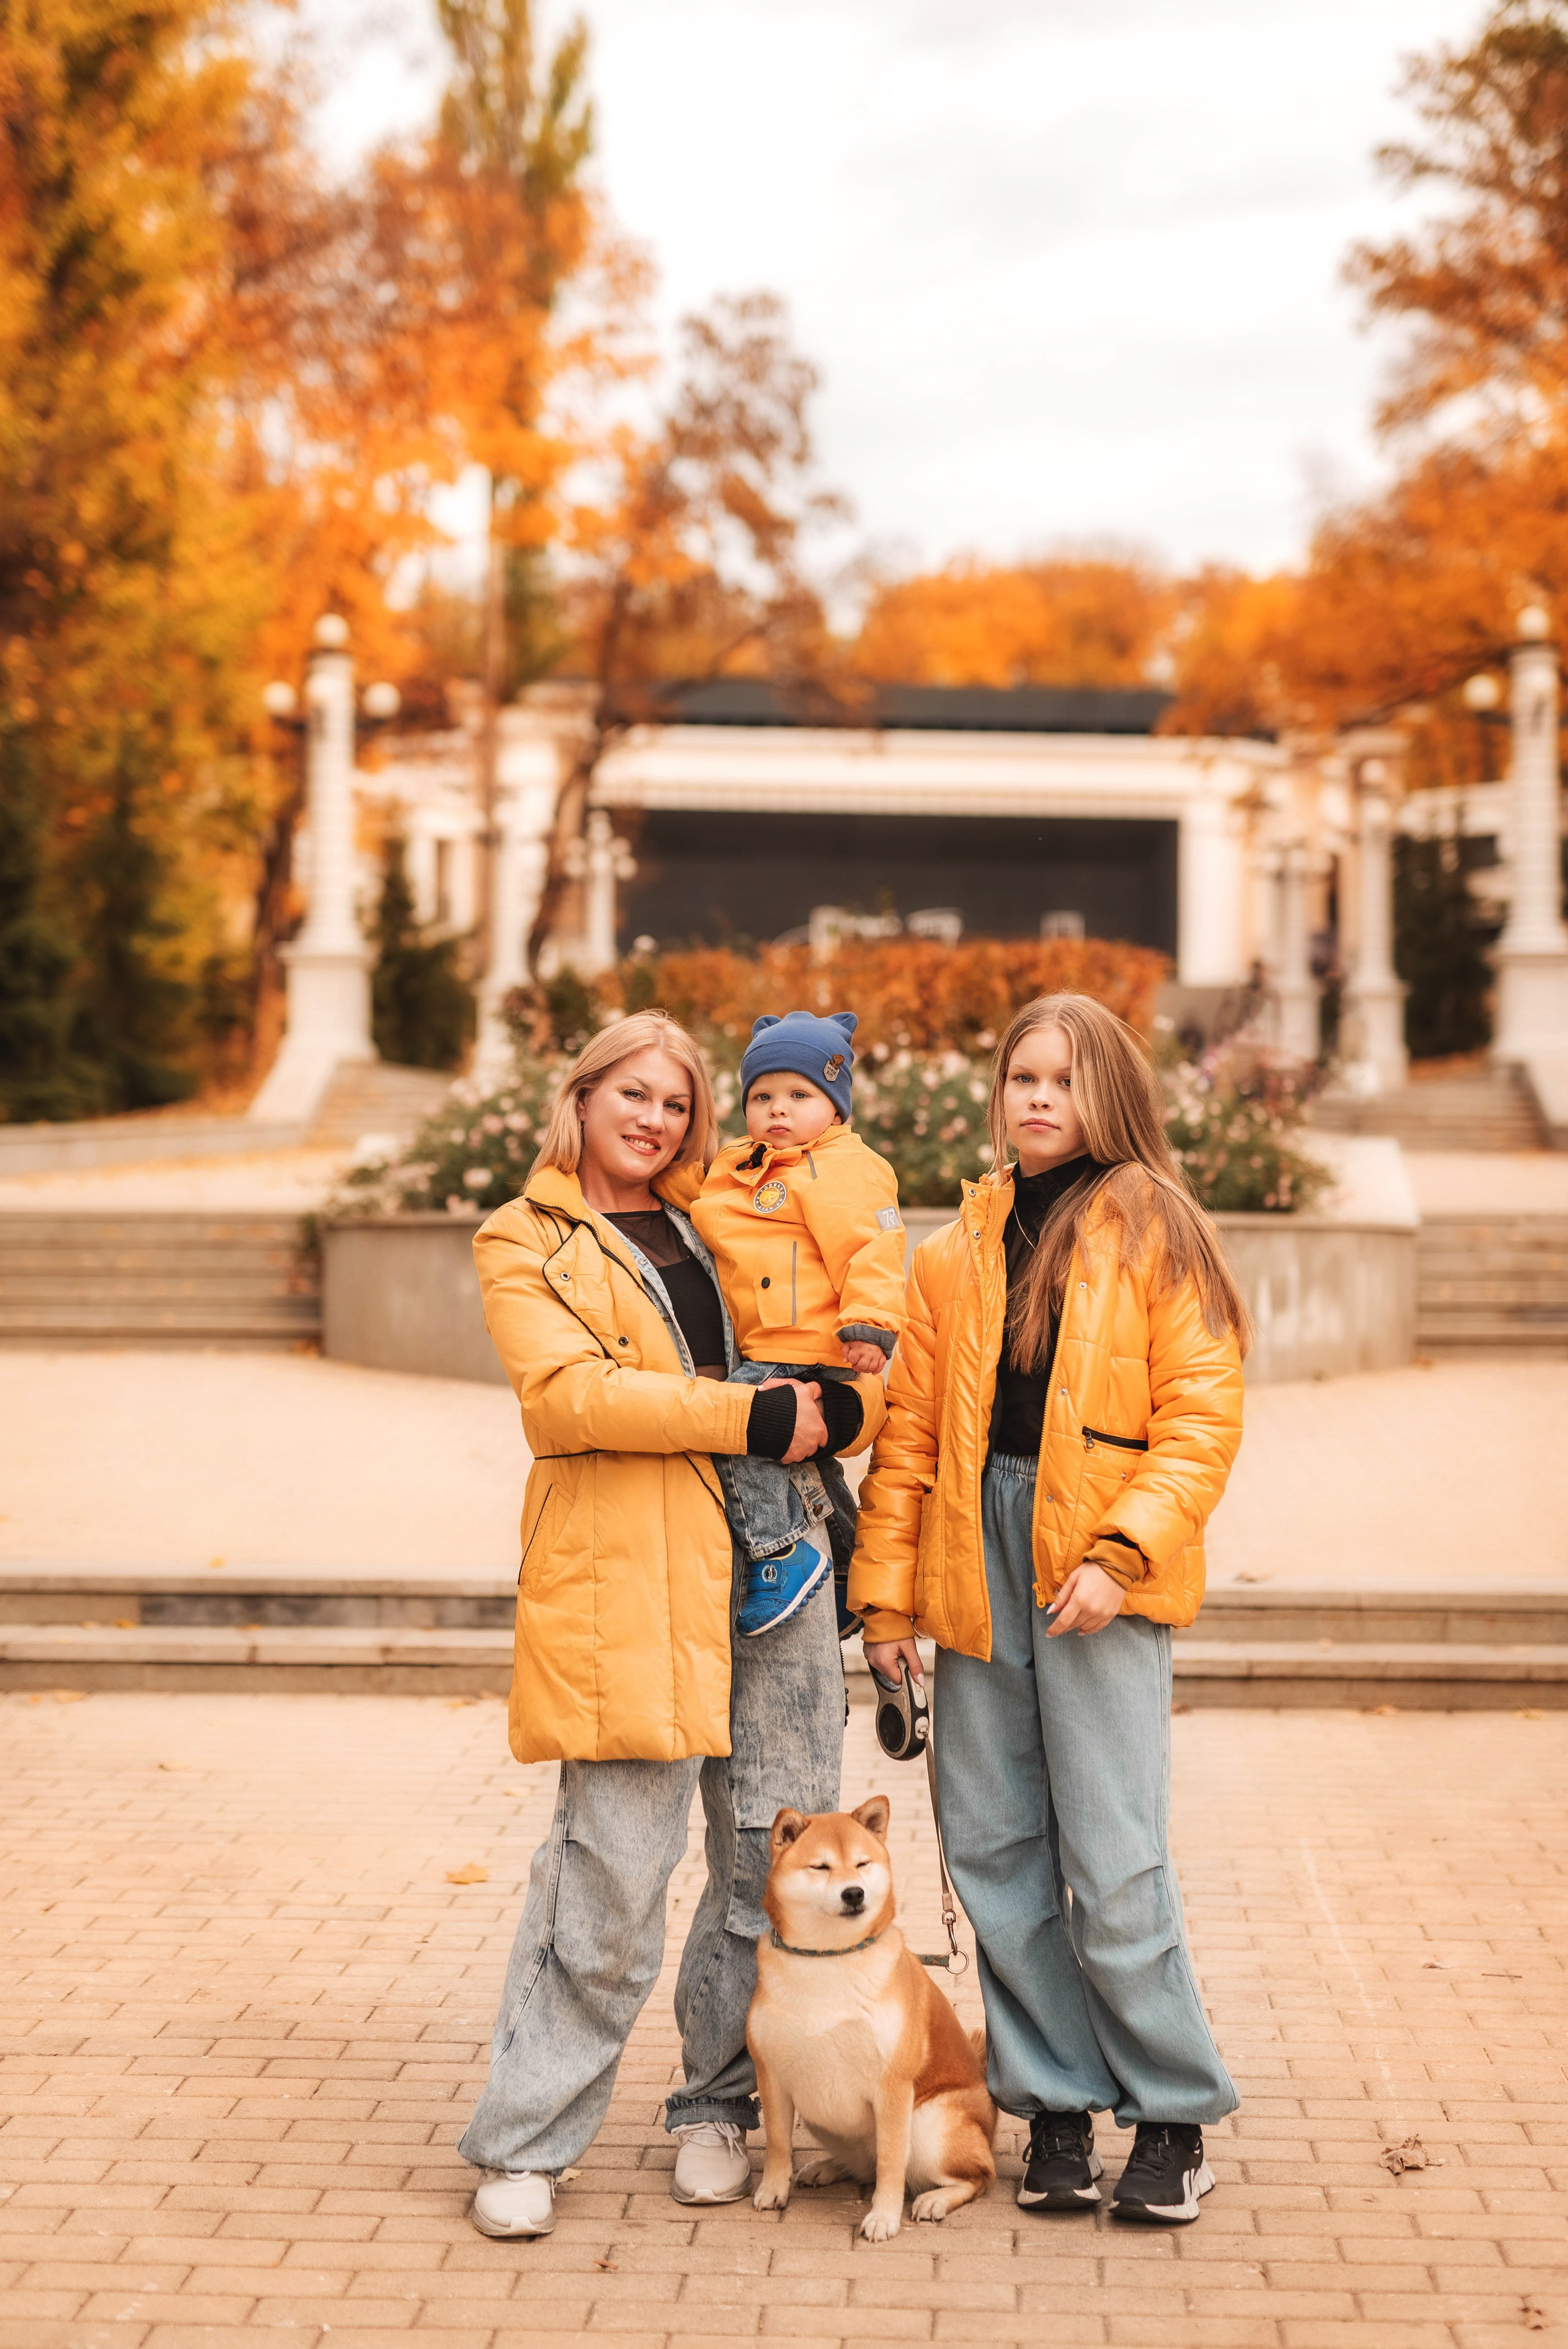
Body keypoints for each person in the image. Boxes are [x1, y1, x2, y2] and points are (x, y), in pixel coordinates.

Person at [459, 1011, 886, 2239]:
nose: (656, 1120)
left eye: (678, 1104)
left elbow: (830, 1320)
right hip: (629, 1581)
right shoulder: (523, 1238)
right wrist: (748, 1418)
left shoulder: (723, 1216)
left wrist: (848, 1398)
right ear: (581, 1097)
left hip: (780, 1570)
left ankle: (714, 2109)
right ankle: (529, 2142)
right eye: (633, 1096)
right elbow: (568, 1398)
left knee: (770, 1856)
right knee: (610, 1873)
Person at [850, 993, 1247, 2228]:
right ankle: (1057, 2109)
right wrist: (885, 1601)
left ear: (1107, 1096)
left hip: (1093, 1565)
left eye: (1062, 1082)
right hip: (972, 1560)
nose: (1036, 1100)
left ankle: (1171, 2116)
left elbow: (1198, 1420)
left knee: (1112, 1856)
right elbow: (908, 1436)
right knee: (994, 1850)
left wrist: (1119, 1554)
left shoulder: (1156, 1231)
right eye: (1021, 1076)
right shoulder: (952, 1248)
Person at [679, 1009, 906, 1637]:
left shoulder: (841, 1168)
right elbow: (699, 1197)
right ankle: (843, 1559)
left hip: (812, 1338)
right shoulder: (742, 1164)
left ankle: (779, 1552)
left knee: (738, 1432)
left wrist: (868, 1324)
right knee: (806, 1465)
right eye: (762, 1097)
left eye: (799, 1096)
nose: (777, 1111)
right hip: (769, 1339)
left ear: (835, 1105)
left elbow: (873, 1247)